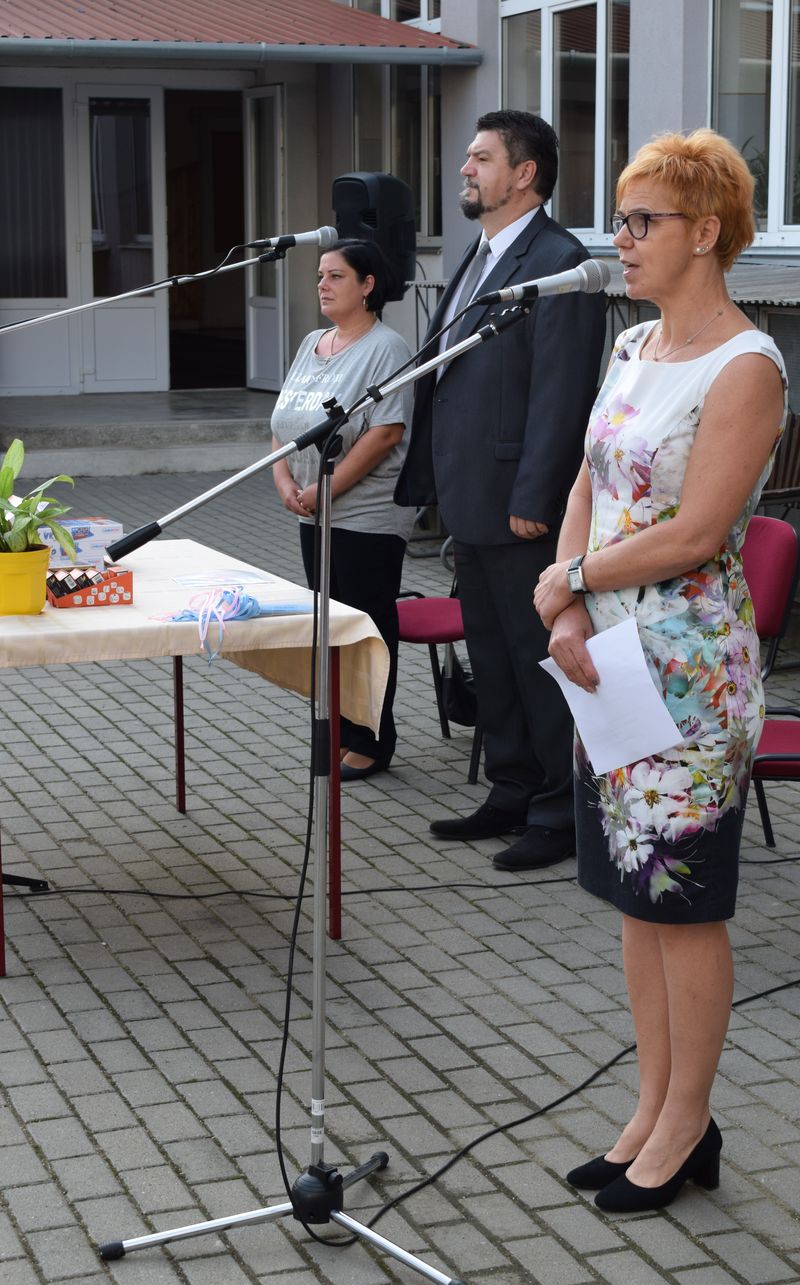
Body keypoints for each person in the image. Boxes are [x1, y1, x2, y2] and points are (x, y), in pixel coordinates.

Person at [533, 129, 787, 1214]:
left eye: (642, 221)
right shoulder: (632, 345)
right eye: (620, 219)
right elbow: (588, 478)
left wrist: (572, 576)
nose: (621, 240)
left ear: (706, 231)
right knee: (633, 897)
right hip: (607, 663)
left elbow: (695, 532)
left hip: (690, 683)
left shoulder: (748, 366)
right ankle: (649, 1107)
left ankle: (688, 1123)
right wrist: (566, 599)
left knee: (681, 903)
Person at [395, 109, 606, 871]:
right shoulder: (480, 254)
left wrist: (535, 497)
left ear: (525, 174)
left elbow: (561, 392)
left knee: (535, 656)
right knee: (492, 653)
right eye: (468, 156)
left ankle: (559, 809)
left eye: (481, 157)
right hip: (471, 495)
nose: (465, 169)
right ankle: (511, 787)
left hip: (521, 505)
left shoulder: (559, 261)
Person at [271, 238, 415, 781]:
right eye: (320, 276)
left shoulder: (386, 348)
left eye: (335, 276)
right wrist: (284, 479)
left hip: (365, 517)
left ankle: (373, 740)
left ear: (367, 285)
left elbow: (385, 433)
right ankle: (342, 727)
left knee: (364, 627)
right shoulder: (312, 342)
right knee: (331, 626)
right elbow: (283, 423)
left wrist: (325, 492)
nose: (323, 286)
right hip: (313, 512)